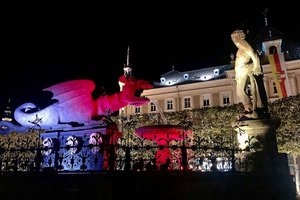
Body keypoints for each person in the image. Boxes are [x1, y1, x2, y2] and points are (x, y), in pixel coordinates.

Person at [231, 30, 267, 118]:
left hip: (245, 69)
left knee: (240, 91)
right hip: (240, 71)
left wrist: (256, 67)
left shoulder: (243, 43)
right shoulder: (240, 46)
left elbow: (253, 53)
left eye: (234, 37)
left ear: (239, 37)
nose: (233, 39)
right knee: (240, 91)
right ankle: (248, 108)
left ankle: (250, 108)